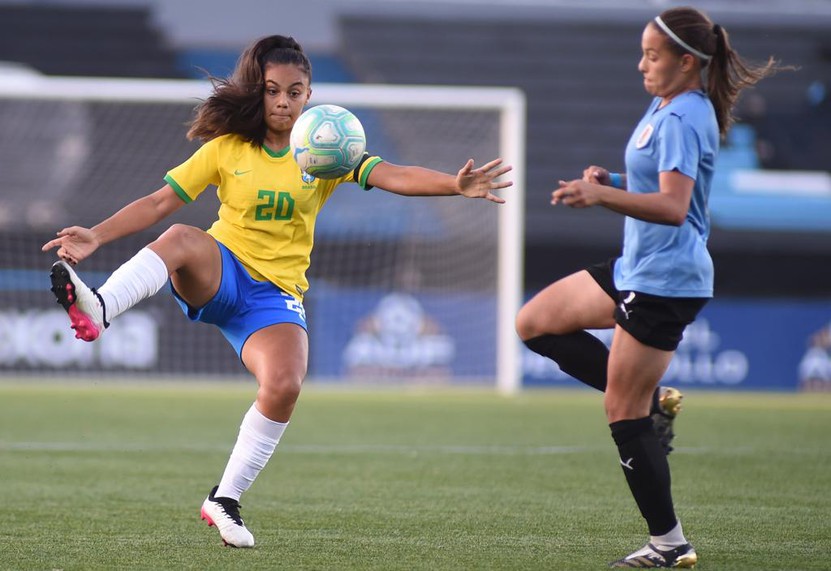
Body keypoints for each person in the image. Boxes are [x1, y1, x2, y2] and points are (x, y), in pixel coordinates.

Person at [42, 34, 512, 548]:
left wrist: (454, 184)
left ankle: (224, 500)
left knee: (285, 384)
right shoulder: (227, 149)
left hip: (274, 297)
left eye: (294, 91)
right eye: (272, 90)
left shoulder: (325, 152)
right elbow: (158, 204)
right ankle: (102, 306)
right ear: (258, 93)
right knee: (180, 237)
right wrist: (96, 235)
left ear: (309, 96)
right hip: (218, 271)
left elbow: (393, 173)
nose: (283, 101)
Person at [515, 7, 781, 568]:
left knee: (621, 412)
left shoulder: (686, 115)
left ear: (687, 63)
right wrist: (609, 181)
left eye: (652, 56)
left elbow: (674, 206)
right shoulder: (665, 103)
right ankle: (655, 404)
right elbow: (655, 181)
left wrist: (600, 199)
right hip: (637, 268)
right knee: (534, 322)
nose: (642, 64)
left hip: (665, 281)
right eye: (641, 52)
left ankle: (669, 544)